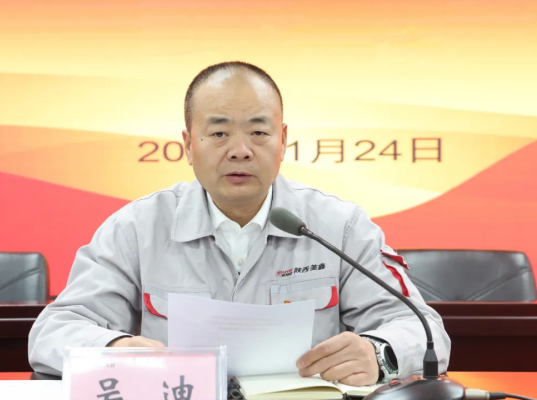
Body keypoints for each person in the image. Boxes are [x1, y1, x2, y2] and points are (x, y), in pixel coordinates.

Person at [28, 61, 450, 385]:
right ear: (188, 145)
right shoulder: (137, 228)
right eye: (218, 133)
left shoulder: (339, 226)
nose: (240, 150)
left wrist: (379, 355)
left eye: (259, 133)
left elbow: (425, 330)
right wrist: (115, 348)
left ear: (283, 141)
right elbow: (53, 330)